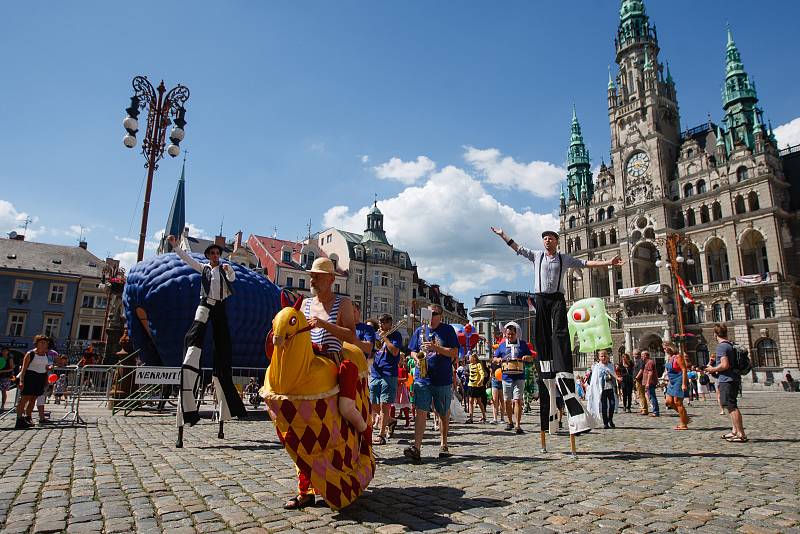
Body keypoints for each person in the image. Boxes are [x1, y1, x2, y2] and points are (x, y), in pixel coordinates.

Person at [491, 226, 622, 434]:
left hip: (557, 299)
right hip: (541, 298)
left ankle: (561, 355)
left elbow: (586, 263)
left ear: (556, 241)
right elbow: (517, 248)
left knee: (560, 330)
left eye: (550, 239)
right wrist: (503, 235)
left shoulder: (564, 258)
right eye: (544, 239)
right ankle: (545, 355)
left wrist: (608, 262)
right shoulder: (537, 256)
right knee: (542, 332)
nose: (547, 242)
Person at [284, 257, 361, 509]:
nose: (312, 279)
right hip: (307, 365)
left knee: (340, 412)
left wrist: (326, 324)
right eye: (311, 275)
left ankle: (361, 433)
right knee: (300, 426)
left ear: (331, 279)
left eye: (317, 275)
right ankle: (304, 489)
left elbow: (351, 335)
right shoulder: (305, 303)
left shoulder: (343, 303)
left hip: (331, 362)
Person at [168, 235, 247, 439]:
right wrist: (176, 247)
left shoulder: (224, 269)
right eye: (212, 253)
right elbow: (188, 260)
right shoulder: (203, 268)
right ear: (208, 256)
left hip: (219, 307)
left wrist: (229, 270)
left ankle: (225, 392)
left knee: (223, 344)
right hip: (205, 304)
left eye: (217, 253)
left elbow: (232, 279)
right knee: (194, 336)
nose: (215, 255)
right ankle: (191, 354)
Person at [404, 304, 459, 462]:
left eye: (434, 313)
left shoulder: (447, 330)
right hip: (423, 377)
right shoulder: (420, 330)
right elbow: (413, 350)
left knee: (442, 412)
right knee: (421, 411)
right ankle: (417, 448)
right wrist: (416, 358)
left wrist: (436, 347)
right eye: (428, 313)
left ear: (440, 315)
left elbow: (454, 352)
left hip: (442, 378)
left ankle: (444, 443)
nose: (431, 316)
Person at [706, 324, 747, 443]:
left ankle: (740, 433)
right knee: (731, 405)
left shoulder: (721, 347)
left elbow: (724, 365)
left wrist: (711, 369)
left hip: (727, 379)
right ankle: (734, 430)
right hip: (733, 377)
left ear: (715, 334)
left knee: (731, 406)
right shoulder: (730, 345)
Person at [493, 322, 534, 434]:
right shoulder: (502, 346)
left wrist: (527, 357)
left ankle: (518, 425)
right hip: (506, 376)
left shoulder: (523, 344)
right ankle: (510, 422)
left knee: (517, 400)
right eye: (508, 334)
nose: (509, 336)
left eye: (511, 334)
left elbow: (531, 357)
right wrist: (498, 360)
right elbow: (495, 358)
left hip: (519, 376)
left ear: (516, 334)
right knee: (506, 400)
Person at [370, 314, 403, 445]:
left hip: (389, 373)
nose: (381, 325)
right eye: (380, 322)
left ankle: (381, 434)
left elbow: (395, 352)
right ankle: (390, 421)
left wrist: (385, 338)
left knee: (384, 405)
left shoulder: (396, 335)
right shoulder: (377, 335)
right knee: (373, 404)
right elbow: (373, 351)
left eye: (384, 322)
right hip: (375, 372)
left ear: (390, 323)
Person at [15, 335, 51, 429]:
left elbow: (45, 367)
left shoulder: (45, 354)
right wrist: (21, 380)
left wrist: (47, 379)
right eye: (41, 343)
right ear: (37, 344)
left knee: (33, 398)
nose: (44, 345)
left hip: (40, 377)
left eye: (45, 343)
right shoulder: (30, 353)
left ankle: (28, 417)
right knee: (25, 398)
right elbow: (24, 368)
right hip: (30, 376)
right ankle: (19, 419)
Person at [586, 350, 620, 429]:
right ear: (599, 357)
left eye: (605, 356)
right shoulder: (597, 366)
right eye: (602, 356)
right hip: (602, 389)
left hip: (610, 388)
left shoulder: (610, 365)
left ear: (607, 356)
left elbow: (613, 374)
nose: (603, 357)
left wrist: (616, 378)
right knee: (604, 406)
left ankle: (610, 419)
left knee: (612, 404)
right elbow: (595, 379)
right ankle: (605, 423)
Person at [663, 342, 689, 430]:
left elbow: (684, 370)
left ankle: (683, 423)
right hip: (672, 381)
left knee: (678, 402)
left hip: (679, 380)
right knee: (669, 401)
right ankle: (685, 417)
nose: (664, 350)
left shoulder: (678, 357)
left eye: (665, 348)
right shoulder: (669, 358)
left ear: (670, 347)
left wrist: (684, 383)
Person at [466, 352, 487, 423]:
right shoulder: (470, 365)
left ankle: (484, 416)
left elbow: (482, 374)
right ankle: (471, 417)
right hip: (470, 385)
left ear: (473, 358)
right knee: (470, 401)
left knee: (479, 401)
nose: (469, 359)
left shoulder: (478, 365)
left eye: (470, 357)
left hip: (477, 386)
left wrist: (481, 381)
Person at [641, 351, 659, 417]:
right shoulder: (647, 362)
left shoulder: (649, 362)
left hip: (650, 383)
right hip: (649, 382)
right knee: (651, 396)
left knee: (652, 396)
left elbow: (650, 373)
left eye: (642, 355)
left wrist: (648, 382)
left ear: (646, 355)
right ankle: (655, 411)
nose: (641, 357)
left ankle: (655, 411)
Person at [489, 357, 506, 425]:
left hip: (502, 381)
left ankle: (502, 418)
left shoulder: (503, 363)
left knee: (502, 400)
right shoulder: (492, 364)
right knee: (494, 400)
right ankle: (495, 418)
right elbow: (491, 373)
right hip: (495, 381)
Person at [632, 349, 648, 415]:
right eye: (633, 354)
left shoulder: (640, 361)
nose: (633, 355)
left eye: (634, 354)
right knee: (639, 394)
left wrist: (636, 377)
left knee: (641, 395)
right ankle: (642, 408)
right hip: (638, 379)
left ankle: (644, 409)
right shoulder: (637, 361)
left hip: (640, 380)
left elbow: (641, 370)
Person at [0, 347, 15, 411]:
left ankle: (2, 405)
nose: (4, 352)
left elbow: (11, 368)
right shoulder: (0, 357)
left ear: (8, 352)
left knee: (3, 391)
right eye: (3, 350)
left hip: (5, 377)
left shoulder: (10, 359)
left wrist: (2, 371)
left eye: (5, 351)